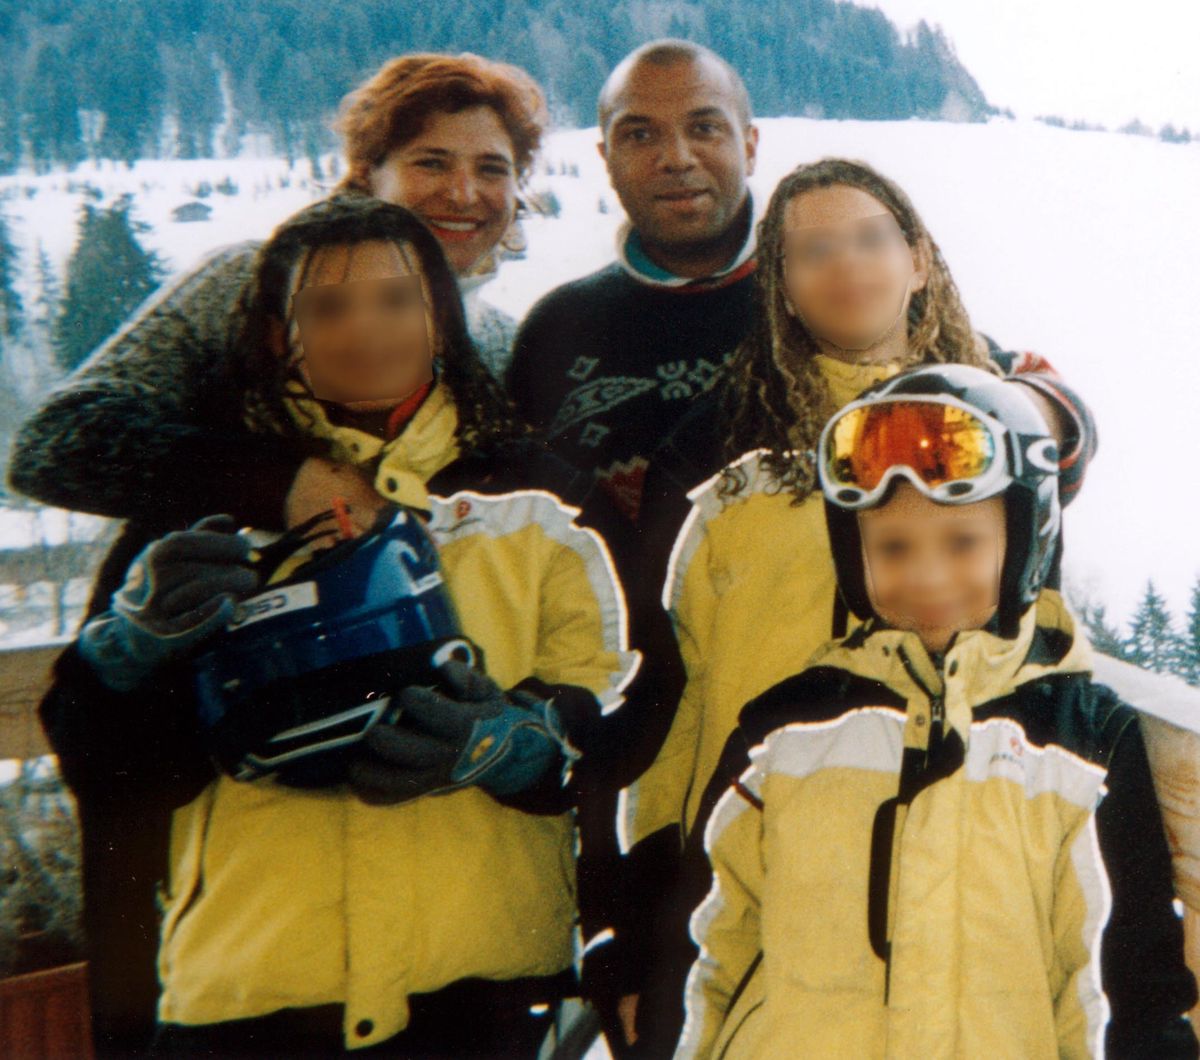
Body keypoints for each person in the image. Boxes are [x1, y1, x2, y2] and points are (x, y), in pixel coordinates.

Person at [39, 196, 640, 1057]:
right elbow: (107, 770)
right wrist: (130, 654)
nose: (365, 328)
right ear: (279, 335)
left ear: (441, 317)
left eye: (396, 299)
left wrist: (524, 744)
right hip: (253, 987)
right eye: (326, 307)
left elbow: (632, 710)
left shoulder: (542, 500)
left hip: (483, 987)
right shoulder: (209, 510)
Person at [609, 158, 1098, 1053]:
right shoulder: (717, 459)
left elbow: (1043, 650)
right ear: (781, 288)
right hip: (776, 877)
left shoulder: (997, 429)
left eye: (871, 238)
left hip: (972, 881)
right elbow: (663, 703)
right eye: (813, 250)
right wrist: (639, 930)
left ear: (918, 259)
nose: (847, 267)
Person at [676, 364, 1196, 1057]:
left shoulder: (1084, 737)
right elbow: (709, 938)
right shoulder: (787, 727)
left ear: (1025, 539)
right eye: (892, 547)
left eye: (962, 543)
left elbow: (1127, 968)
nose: (926, 576)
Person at [8, 51, 548, 530]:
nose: (463, 192)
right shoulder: (247, 282)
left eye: (492, 168)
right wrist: (281, 486)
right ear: (366, 176)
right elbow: (56, 443)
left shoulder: (502, 343)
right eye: (431, 162)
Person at [506, 39, 759, 522]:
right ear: (607, 162)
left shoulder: (835, 301)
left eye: (704, 128)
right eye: (640, 135)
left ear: (749, 147)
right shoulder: (554, 332)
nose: (677, 158)